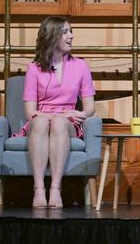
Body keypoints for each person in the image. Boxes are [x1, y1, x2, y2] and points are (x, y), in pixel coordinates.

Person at [22, 16, 95, 209]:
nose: (71, 36)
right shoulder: (34, 68)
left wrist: (68, 115)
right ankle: (38, 189)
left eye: (71, 31)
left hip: (67, 122)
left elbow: (89, 108)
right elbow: (30, 112)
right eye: (65, 32)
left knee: (59, 123)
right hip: (41, 120)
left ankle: (55, 189)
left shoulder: (81, 65)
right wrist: (56, 115)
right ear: (51, 36)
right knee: (40, 122)